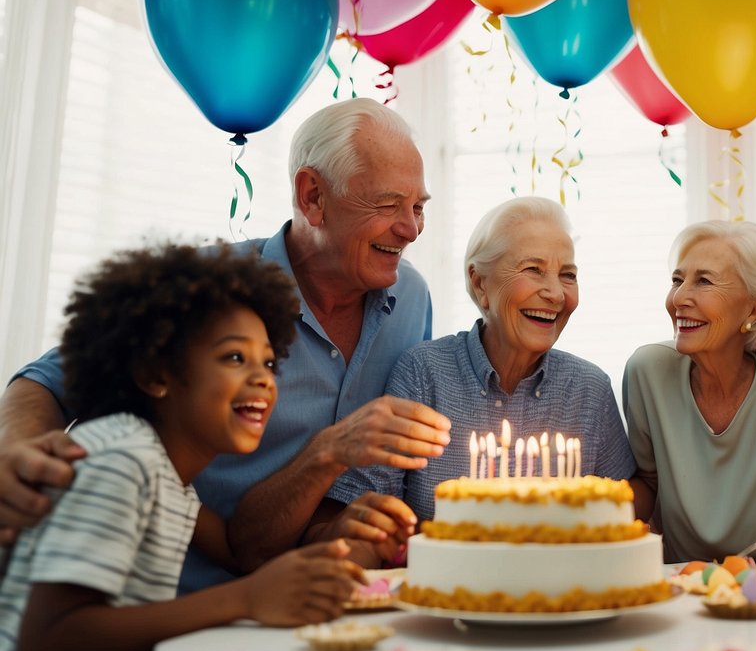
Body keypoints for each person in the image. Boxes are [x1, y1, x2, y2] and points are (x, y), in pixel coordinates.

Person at [0, 99, 452, 591]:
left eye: (419, 207)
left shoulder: (411, 298)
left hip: (288, 594)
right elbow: (49, 380)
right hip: (158, 595)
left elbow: (318, 502)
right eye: (388, 205)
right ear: (312, 196)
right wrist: (16, 455)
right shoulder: (208, 289)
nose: (410, 229)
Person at [0, 243, 361, 651]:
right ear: (156, 375)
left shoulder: (167, 476)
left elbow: (232, 547)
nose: (263, 380)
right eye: (234, 357)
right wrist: (244, 598)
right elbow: (47, 646)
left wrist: (338, 535)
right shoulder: (123, 460)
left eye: (268, 362)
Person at [305, 197, 636, 564]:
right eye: (533, 269)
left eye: (568, 275)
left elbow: (627, 507)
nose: (556, 293)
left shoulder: (589, 389)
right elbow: (363, 519)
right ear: (480, 284)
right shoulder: (422, 375)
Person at [623, 220, 756, 566]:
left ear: (754, 310)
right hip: (682, 591)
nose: (678, 298)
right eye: (677, 280)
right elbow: (648, 484)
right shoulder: (648, 371)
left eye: (703, 281)